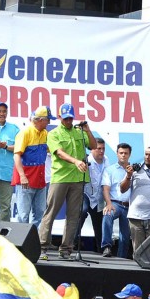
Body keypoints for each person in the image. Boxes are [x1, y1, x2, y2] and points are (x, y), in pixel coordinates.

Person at [38, 103, 96, 260]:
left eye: (70, 118)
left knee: (73, 215)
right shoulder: (54, 133)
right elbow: (60, 153)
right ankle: (42, 247)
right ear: (59, 117)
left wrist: (88, 130)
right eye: (65, 118)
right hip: (61, 178)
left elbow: (93, 145)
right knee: (51, 212)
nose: (68, 121)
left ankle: (66, 250)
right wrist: (76, 161)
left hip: (77, 179)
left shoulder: (79, 131)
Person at [12, 106, 53, 228]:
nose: (49, 122)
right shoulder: (25, 133)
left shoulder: (46, 133)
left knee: (39, 213)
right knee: (23, 214)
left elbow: (53, 151)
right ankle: (21, 245)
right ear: (40, 120)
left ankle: (33, 242)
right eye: (48, 120)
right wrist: (22, 176)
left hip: (40, 180)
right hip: (26, 180)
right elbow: (16, 156)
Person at [101, 143, 133, 258]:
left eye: (126, 153)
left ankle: (122, 258)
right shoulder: (109, 170)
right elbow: (105, 188)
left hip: (130, 206)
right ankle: (107, 246)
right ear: (117, 153)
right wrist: (108, 203)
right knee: (107, 215)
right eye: (121, 153)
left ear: (130, 154)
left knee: (125, 236)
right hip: (115, 203)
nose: (123, 155)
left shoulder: (135, 170)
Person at [83, 138, 109, 250]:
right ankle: (71, 244)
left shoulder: (106, 161)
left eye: (103, 149)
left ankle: (101, 248)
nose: (101, 151)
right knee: (81, 212)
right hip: (85, 194)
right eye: (99, 149)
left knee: (99, 221)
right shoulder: (85, 160)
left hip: (99, 195)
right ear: (92, 150)